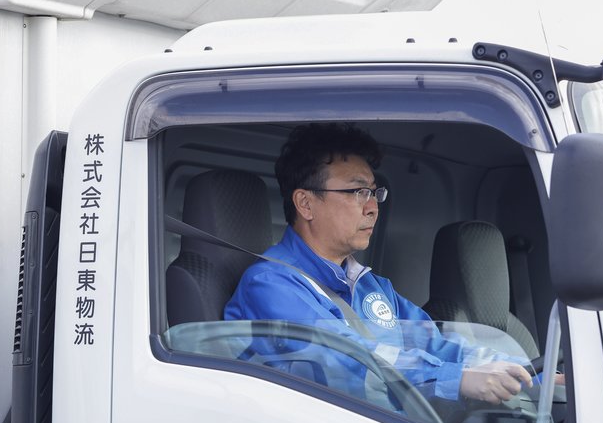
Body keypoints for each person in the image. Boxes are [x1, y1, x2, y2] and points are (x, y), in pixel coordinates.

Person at [224, 123, 533, 405]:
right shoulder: (269, 285)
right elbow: (346, 361)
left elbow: (437, 344)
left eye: (374, 192)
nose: (372, 207)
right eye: (358, 192)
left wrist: (528, 375)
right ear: (305, 204)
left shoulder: (372, 286)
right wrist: (457, 379)